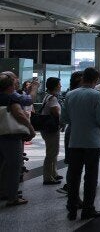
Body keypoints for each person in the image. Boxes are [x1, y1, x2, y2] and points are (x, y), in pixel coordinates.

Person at [62, 67, 100, 220]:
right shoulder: (97, 95)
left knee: (74, 176)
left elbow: (65, 118)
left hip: (75, 141)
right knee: (90, 176)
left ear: (82, 78)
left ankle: (72, 208)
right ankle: (88, 208)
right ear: (96, 80)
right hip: (92, 142)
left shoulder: (70, 94)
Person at [0, 73, 36, 206]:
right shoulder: (10, 98)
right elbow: (19, 114)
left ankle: (3, 191)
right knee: (14, 166)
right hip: (11, 136)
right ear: (9, 86)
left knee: (3, 165)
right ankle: (13, 197)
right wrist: (30, 128)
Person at [57, 71, 83, 196]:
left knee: (73, 164)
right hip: (82, 133)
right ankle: (73, 190)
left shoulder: (69, 95)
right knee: (79, 165)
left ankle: (71, 189)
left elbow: (64, 118)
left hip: (71, 131)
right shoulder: (93, 95)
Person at [41, 77, 63, 185]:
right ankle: (47, 177)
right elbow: (56, 113)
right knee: (51, 153)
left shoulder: (47, 96)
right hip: (51, 129)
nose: (61, 86)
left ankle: (54, 173)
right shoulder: (53, 99)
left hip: (47, 128)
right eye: (59, 84)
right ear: (54, 86)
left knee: (54, 151)